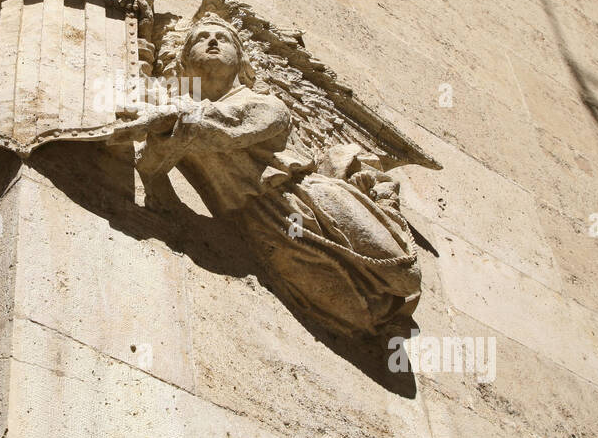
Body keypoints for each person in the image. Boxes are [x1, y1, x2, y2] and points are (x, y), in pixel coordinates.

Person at [114, 17, 421, 334]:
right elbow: (151, 163)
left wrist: (169, 116)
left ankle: (383, 205)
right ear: (185, 61)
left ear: (241, 59)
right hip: (261, 226)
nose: (213, 41)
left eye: (223, 38)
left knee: (405, 275)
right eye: (201, 38)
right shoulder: (180, 109)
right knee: (362, 312)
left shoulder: (263, 103)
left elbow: (231, 125)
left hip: (308, 196)